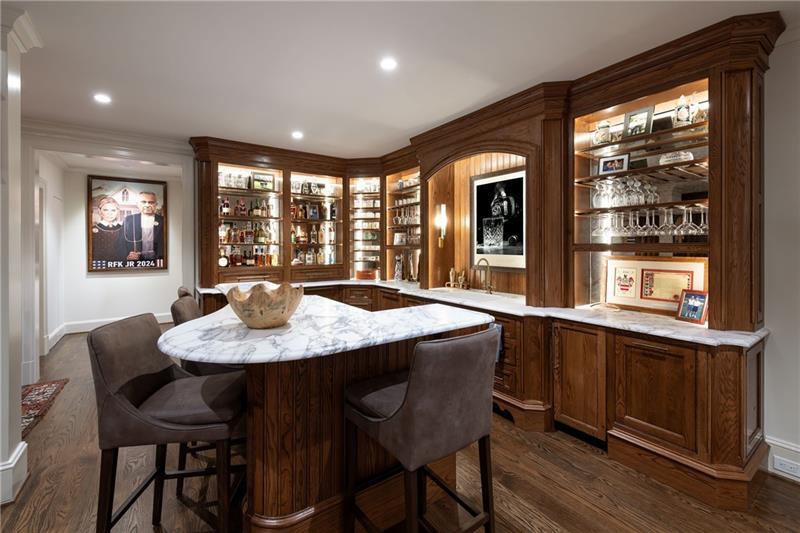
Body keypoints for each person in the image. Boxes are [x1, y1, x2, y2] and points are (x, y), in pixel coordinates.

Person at [123, 191, 164, 261]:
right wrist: (127, 256)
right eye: (143, 202)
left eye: (151, 202)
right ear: (137, 204)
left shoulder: (163, 220)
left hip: (158, 261)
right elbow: (121, 243)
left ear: (156, 204)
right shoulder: (129, 220)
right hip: (135, 261)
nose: (147, 205)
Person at [91, 196, 126, 264]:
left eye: (113, 210)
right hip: (101, 266)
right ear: (100, 211)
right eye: (106, 210)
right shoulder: (93, 230)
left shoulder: (124, 229)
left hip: (120, 265)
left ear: (117, 212)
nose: (110, 213)